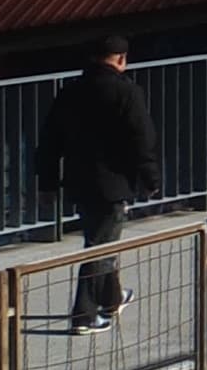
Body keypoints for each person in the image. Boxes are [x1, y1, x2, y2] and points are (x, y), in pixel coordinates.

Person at [33, 33, 160, 335]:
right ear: (120, 59)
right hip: (114, 183)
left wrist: (47, 183)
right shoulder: (127, 93)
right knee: (99, 247)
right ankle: (84, 315)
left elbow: (50, 141)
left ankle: (111, 299)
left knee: (101, 237)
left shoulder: (70, 91)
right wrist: (150, 178)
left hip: (79, 180)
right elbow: (142, 139)